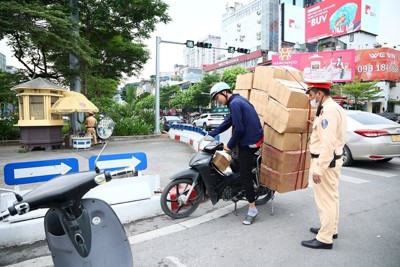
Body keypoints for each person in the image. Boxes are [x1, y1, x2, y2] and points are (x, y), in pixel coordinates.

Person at [208, 82, 263, 225]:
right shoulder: (236, 101)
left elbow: (239, 130)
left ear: (224, 92)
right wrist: (211, 134)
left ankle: (252, 209)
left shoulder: (235, 103)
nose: (217, 101)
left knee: (244, 174)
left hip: (250, 141)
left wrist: (230, 145)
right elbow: (228, 122)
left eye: (217, 97)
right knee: (235, 163)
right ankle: (238, 190)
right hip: (248, 138)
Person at [301, 79, 347, 250]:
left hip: (324, 161)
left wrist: (319, 168)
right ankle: (331, 229)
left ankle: (325, 238)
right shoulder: (332, 108)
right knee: (332, 197)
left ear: (320, 94)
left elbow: (328, 142)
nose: (310, 98)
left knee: (325, 200)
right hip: (332, 160)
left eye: (312, 94)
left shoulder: (328, 111)